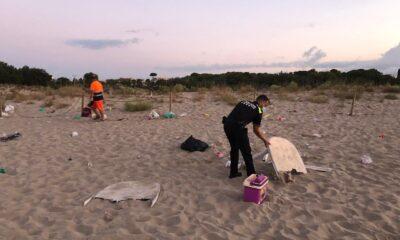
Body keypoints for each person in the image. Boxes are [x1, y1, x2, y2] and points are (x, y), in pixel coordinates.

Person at [222, 95, 271, 179]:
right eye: (266, 105)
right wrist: (265, 140)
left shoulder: (244, 102)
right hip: (238, 128)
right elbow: (256, 130)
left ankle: (233, 173)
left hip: (227, 125)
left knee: (234, 148)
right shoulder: (259, 110)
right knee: (247, 152)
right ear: (263, 101)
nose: (265, 107)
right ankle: (252, 175)